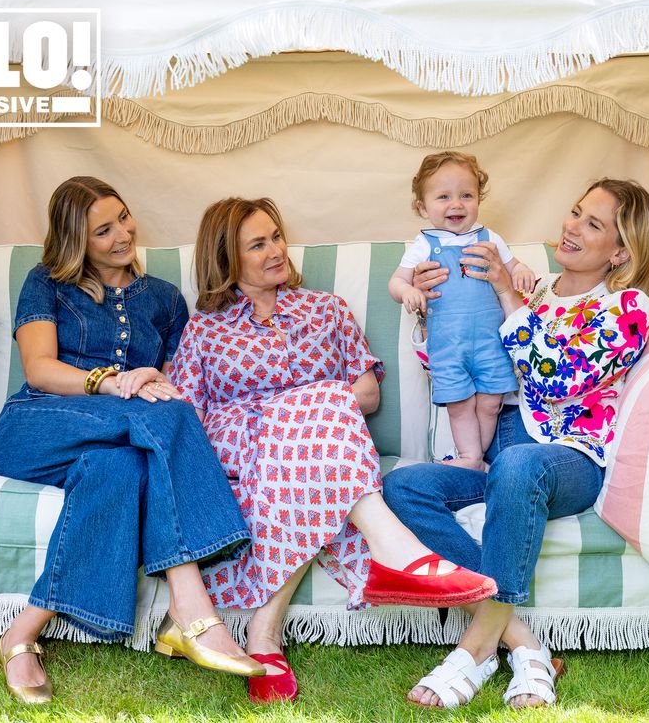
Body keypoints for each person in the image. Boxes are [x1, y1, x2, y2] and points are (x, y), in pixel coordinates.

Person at [167, 197, 499, 703]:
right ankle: (490, 621)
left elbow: (366, 395)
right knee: (313, 416)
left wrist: (307, 408)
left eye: (276, 236)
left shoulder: (325, 308)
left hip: (324, 449)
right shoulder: (205, 330)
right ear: (226, 258)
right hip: (245, 448)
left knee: (314, 433)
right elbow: (185, 421)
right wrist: (295, 407)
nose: (277, 250)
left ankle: (264, 635)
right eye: (258, 244)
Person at [383, 178, 649, 710]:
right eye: (576, 212)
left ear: (621, 250)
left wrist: (506, 296)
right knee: (402, 487)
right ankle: (523, 641)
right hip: (504, 453)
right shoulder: (539, 289)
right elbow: (458, 365)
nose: (572, 227)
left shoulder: (629, 305)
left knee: (516, 464)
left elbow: (557, 379)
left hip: (571, 458)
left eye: (593, 224)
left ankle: (474, 649)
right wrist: (432, 304)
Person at [0, 177, 266, 704]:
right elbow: (41, 369)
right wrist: (111, 382)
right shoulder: (46, 282)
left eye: (123, 217)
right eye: (103, 230)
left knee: (125, 469)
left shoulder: (163, 298)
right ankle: (192, 609)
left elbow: (173, 379)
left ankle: (22, 633)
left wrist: (152, 379)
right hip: (40, 426)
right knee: (163, 416)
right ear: (77, 241)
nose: (123, 234)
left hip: (120, 438)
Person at [388, 152, 537, 470]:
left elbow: (512, 266)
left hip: (490, 344)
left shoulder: (489, 238)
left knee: (490, 402)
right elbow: (396, 283)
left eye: (466, 195)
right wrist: (409, 290)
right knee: (459, 404)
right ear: (423, 207)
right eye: (443, 197)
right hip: (448, 346)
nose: (456, 204)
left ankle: (476, 458)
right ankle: (470, 456)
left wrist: (521, 271)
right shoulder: (425, 244)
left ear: (478, 200)